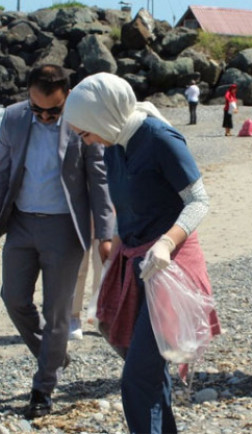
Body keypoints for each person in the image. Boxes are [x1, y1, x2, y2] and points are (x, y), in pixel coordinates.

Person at [63, 72, 221, 434]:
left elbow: (199, 200)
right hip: (135, 260)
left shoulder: (159, 138)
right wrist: (111, 268)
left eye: (85, 132)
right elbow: (127, 210)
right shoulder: (115, 141)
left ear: (102, 116)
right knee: (147, 369)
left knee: (136, 378)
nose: (85, 141)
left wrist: (167, 242)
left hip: (171, 265)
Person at [0, 64, 114, 419]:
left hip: (65, 228)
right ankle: (53, 353)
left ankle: (43, 387)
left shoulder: (80, 122)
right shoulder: (13, 118)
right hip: (22, 223)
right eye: (36, 108)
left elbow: (98, 181)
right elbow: (1, 173)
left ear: (67, 98)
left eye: (52, 111)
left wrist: (105, 233)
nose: (43, 116)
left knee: (57, 313)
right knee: (13, 299)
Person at [70, 239, 103, 340]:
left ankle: (100, 317)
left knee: (102, 269)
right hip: (79, 225)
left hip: (104, 225)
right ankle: (73, 317)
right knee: (78, 268)